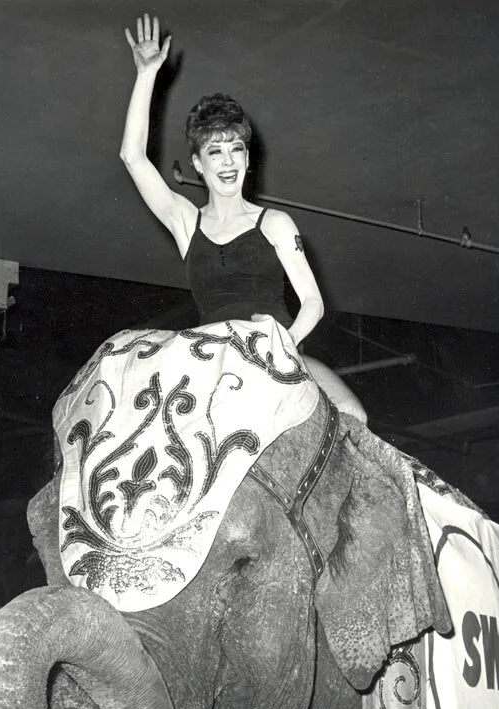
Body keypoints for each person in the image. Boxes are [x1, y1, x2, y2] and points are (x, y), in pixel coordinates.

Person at [120, 14, 367, 423]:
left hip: (278, 353)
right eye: (215, 152)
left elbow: (313, 303)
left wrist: (279, 345)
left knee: (353, 415)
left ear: (248, 158)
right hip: (210, 358)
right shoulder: (185, 222)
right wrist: (147, 75)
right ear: (198, 164)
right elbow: (132, 157)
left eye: (236, 149)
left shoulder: (275, 224)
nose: (228, 161)